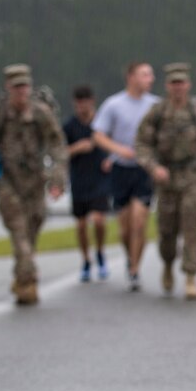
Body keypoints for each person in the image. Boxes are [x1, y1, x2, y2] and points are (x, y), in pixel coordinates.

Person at [0, 64, 68, 306]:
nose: (22, 91)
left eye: (25, 86)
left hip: (35, 182)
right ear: (8, 87)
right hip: (7, 183)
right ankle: (28, 284)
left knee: (32, 229)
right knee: (20, 231)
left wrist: (57, 179)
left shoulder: (41, 113)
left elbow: (57, 146)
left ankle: (21, 272)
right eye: (17, 87)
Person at [135, 63, 196, 300]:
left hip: (194, 176)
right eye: (173, 83)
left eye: (181, 83)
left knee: (191, 224)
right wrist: (153, 167)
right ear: (167, 86)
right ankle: (168, 264)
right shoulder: (157, 113)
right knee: (167, 231)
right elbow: (142, 144)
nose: (178, 87)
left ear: (187, 85)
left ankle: (190, 275)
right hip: (166, 178)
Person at [92, 62, 160, 291]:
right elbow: (98, 136)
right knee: (125, 228)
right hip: (121, 168)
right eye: (145, 74)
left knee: (140, 222)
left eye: (151, 74)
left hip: (144, 169)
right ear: (131, 77)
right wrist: (118, 150)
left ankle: (134, 270)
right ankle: (130, 257)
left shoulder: (155, 105)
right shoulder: (114, 104)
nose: (150, 78)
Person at [63, 84, 112, 282]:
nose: (82, 106)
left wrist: (111, 159)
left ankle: (100, 251)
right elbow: (60, 152)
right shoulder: (69, 126)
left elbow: (116, 142)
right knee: (82, 224)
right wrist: (77, 148)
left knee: (99, 220)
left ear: (92, 102)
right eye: (78, 103)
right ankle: (85, 259)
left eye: (85, 102)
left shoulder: (103, 123)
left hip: (100, 178)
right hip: (79, 179)